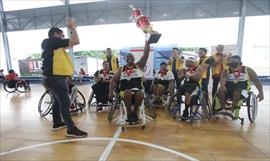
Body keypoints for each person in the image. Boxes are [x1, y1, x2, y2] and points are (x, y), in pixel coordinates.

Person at [41, 18, 87, 137]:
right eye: (61, 34)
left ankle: (57, 123)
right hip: (55, 78)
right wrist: (72, 28)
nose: (62, 36)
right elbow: (76, 41)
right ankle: (71, 129)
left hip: (50, 78)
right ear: (55, 34)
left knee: (57, 100)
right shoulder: (52, 41)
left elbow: (71, 44)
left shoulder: (51, 45)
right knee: (65, 103)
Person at [109, 41, 150, 125]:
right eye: (128, 56)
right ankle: (128, 113)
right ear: (125, 59)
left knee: (140, 94)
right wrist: (111, 92)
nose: (129, 57)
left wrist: (147, 42)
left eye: (131, 56)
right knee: (127, 92)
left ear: (134, 59)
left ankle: (135, 112)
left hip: (137, 89)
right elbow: (113, 80)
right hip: (124, 91)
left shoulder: (139, 66)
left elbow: (146, 54)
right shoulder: (121, 69)